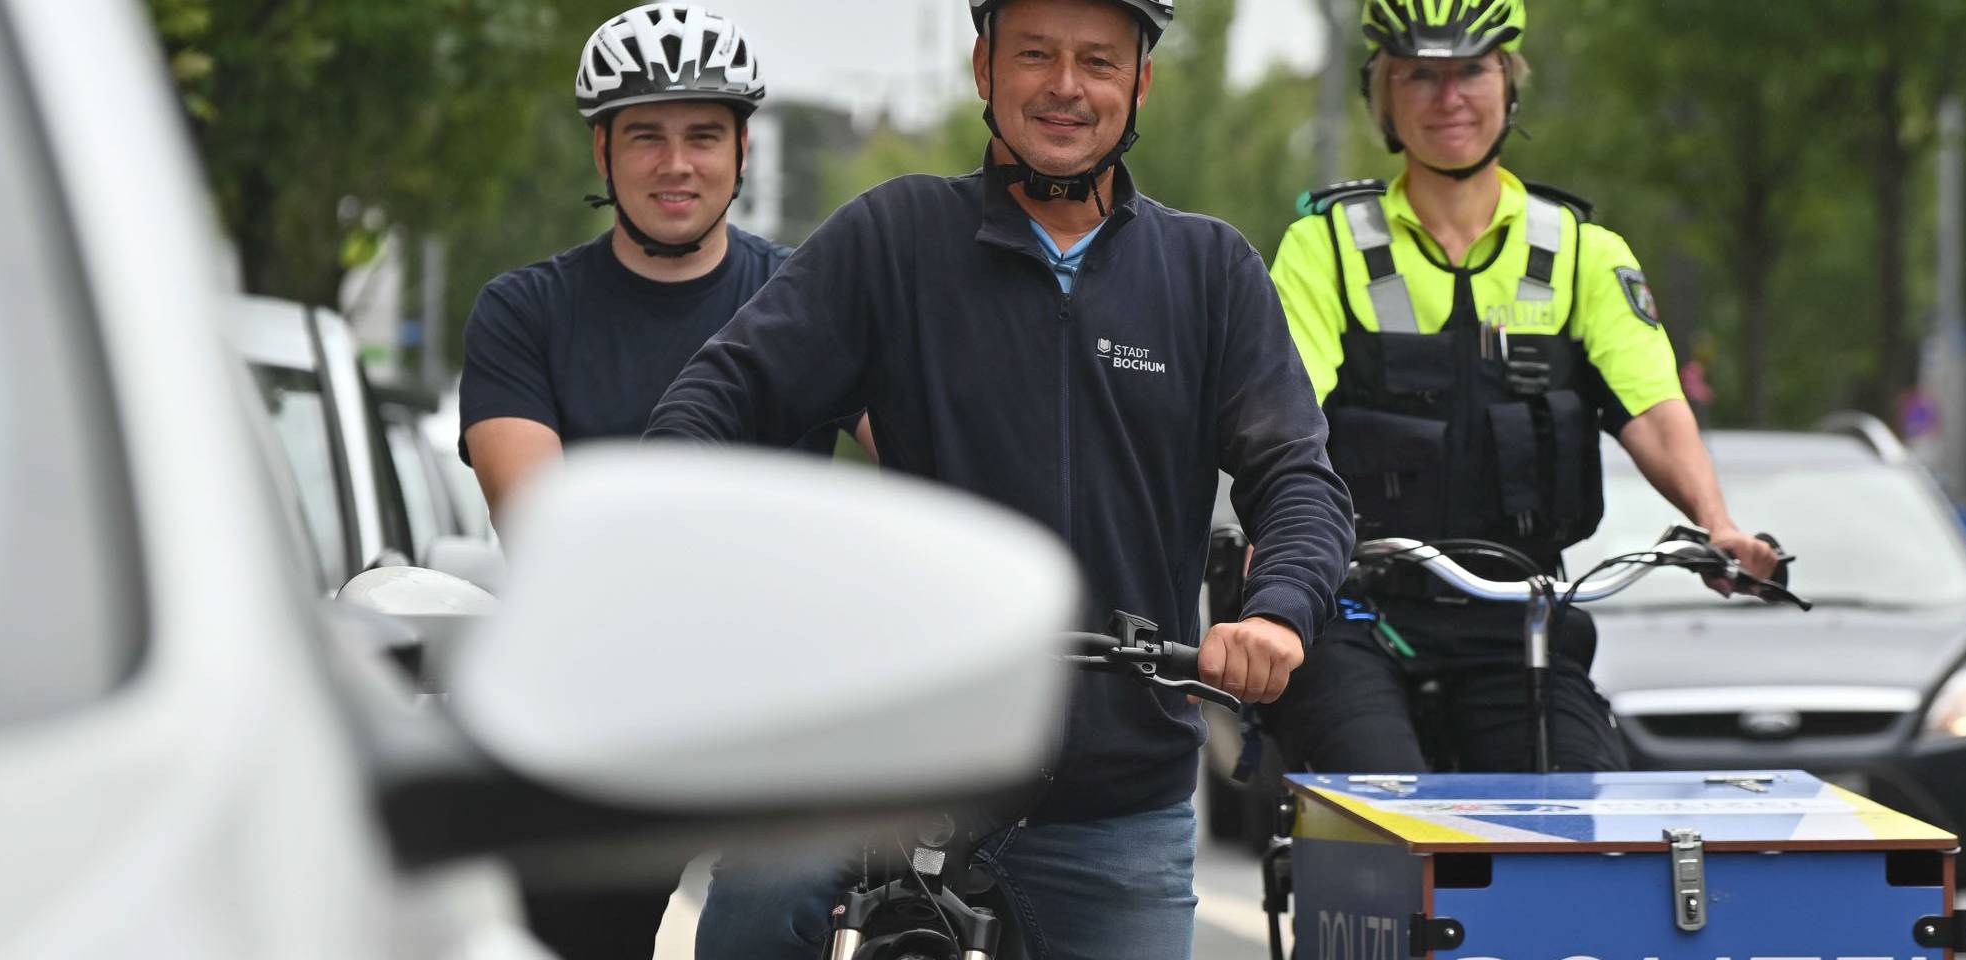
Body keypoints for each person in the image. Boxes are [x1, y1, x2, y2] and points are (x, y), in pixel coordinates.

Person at [644, 0, 1354, 955]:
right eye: (1035, 54)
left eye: (1097, 61)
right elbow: (716, 401)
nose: (1065, 86)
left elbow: (1297, 476)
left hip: (1114, 799)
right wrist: (685, 552)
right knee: (752, 911)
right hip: (898, 762)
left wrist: (1276, 613)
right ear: (984, 67)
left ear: (1139, 82)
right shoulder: (893, 237)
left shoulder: (1209, 271)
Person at [1258, 0, 1778, 776]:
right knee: (1382, 806)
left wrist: (1716, 523)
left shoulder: (1581, 252)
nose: (1448, 98)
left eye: (1471, 70)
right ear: (1382, 96)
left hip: (1516, 612)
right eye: (1419, 76)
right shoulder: (1324, 246)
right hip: (1358, 607)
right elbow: (1284, 416)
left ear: (1508, 83)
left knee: (1583, 811)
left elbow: (1651, 407)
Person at [458, 2, 859, 532]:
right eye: (647, 137)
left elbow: (928, 456)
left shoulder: (811, 298)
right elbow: (539, 533)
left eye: (702, 137)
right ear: (603, 150)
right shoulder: (521, 314)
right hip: (596, 589)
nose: (676, 165)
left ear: (741, 149)